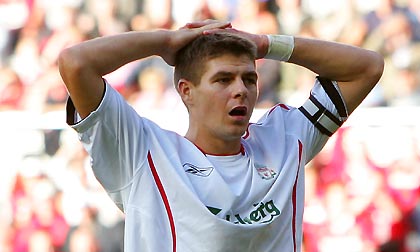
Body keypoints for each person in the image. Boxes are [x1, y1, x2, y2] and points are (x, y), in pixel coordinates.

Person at [58, 19, 384, 251]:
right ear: (186, 91)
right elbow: (76, 62)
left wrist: (266, 44)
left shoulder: (284, 142)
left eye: (249, 79)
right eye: (223, 80)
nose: (240, 90)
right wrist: (165, 42)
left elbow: (366, 67)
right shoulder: (141, 153)